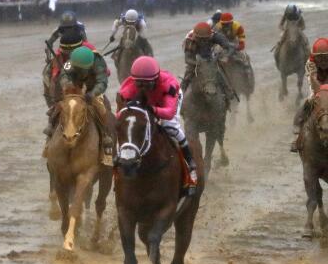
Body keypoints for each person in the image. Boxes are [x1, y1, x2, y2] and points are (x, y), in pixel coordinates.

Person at [118, 56, 198, 196]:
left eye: (147, 84)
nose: (142, 88)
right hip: (146, 104)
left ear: (155, 80)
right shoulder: (129, 87)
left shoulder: (169, 85)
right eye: (139, 84)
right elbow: (121, 113)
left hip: (164, 103)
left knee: (170, 128)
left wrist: (153, 110)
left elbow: (169, 112)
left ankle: (189, 163)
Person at [57, 46, 113, 166]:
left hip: (92, 92)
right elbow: (63, 75)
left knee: (102, 110)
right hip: (74, 90)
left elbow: (102, 82)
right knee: (57, 108)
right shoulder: (71, 61)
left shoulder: (98, 62)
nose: (78, 70)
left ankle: (106, 138)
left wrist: (92, 94)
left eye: (81, 69)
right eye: (76, 68)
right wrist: (68, 85)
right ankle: (50, 133)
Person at [291, 38, 328, 152]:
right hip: (317, 84)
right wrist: (321, 93)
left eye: (325, 57)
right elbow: (313, 81)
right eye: (319, 57)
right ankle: (298, 136)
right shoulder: (310, 63)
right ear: (314, 57)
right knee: (310, 101)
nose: (322, 60)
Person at [182, 21, 236, 96]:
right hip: (195, 57)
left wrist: (226, 56)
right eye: (201, 39)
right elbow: (187, 59)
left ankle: (228, 90)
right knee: (188, 73)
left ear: (210, 36)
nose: (203, 42)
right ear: (196, 37)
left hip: (209, 54)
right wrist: (198, 64)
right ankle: (180, 95)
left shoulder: (215, 36)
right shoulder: (190, 40)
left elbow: (230, 47)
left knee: (218, 70)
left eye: (205, 39)